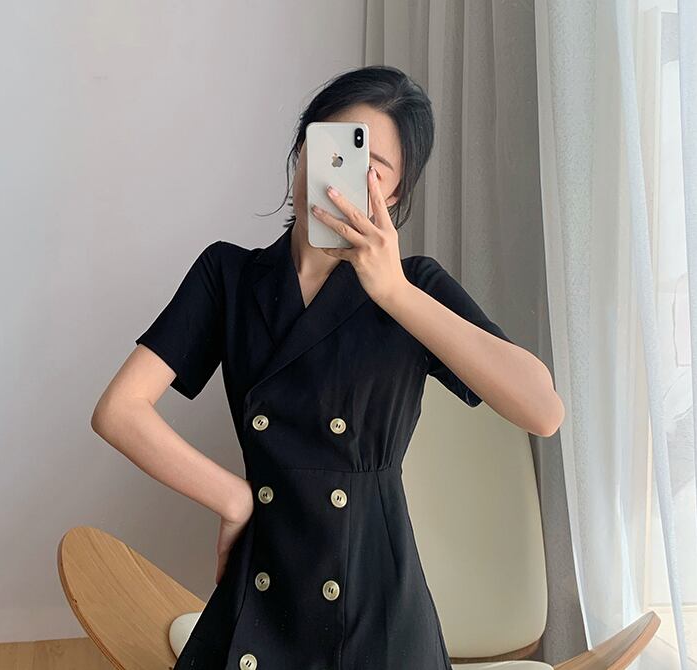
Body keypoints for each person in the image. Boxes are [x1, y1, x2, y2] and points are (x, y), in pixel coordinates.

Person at [91, 65, 563, 670]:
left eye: (373, 165)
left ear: (395, 194)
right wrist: (233, 498)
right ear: (300, 152)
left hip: (376, 599)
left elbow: (543, 410)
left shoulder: (416, 287)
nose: (341, 173)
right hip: (264, 581)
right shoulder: (228, 276)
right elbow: (119, 411)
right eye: (331, 145)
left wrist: (394, 292)